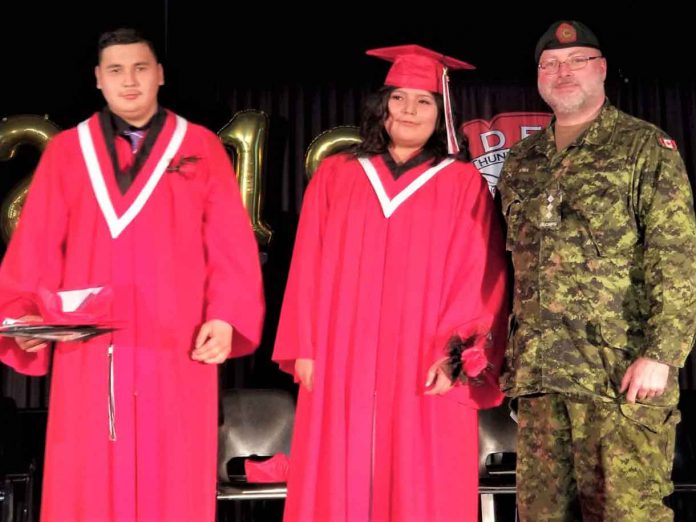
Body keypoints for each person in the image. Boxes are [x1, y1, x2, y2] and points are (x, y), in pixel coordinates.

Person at [0, 28, 264, 522]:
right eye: (116, 70)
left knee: (175, 471)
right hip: (89, 343)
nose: (130, 81)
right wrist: (24, 318)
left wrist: (226, 316)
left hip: (177, 341)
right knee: (87, 474)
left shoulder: (200, 146)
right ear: (98, 79)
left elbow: (230, 244)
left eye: (141, 68)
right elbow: (35, 243)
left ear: (160, 75)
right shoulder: (66, 151)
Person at [273, 44, 508, 522]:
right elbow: (306, 265)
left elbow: (479, 273)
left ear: (441, 114)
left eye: (423, 101)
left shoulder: (462, 183)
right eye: (399, 98)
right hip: (341, 357)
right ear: (382, 106)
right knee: (340, 473)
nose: (408, 111)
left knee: (423, 481)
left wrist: (458, 355)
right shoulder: (336, 175)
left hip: (423, 356)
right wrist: (306, 346)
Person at [498, 20, 696, 521]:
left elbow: (674, 255)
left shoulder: (643, 147)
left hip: (620, 376)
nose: (562, 72)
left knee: (627, 514)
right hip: (541, 379)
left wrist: (662, 354)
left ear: (602, 69)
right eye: (550, 64)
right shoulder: (522, 161)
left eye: (576, 61)